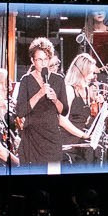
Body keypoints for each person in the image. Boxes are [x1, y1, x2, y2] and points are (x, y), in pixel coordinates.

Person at [15, 37, 83, 167]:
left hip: (52, 138)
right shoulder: (26, 80)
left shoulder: (58, 80)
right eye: (39, 59)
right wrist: (40, 93)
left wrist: (55, 99)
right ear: (32, 61)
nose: (43, 63)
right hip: (31, 138)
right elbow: (20, 111)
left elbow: (64, 111)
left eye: (46, 59)